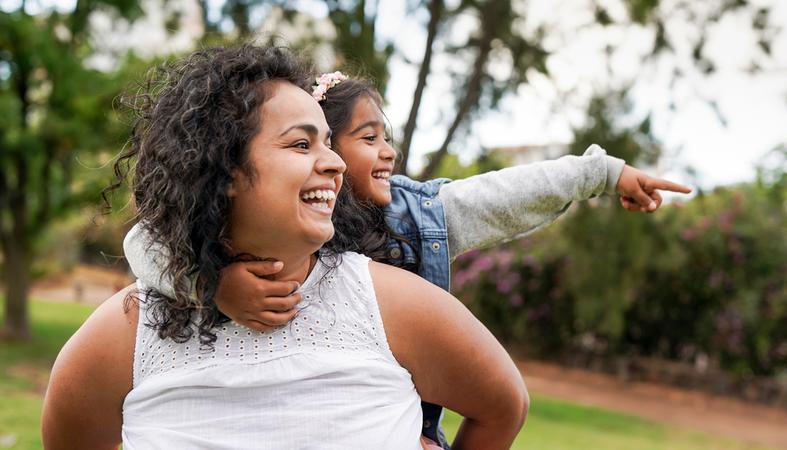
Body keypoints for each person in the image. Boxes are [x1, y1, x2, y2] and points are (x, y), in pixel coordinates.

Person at [123, 73, 692, 446]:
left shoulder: (417, 215)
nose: (387, 151)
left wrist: (603, 172)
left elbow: (508, 193)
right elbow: (146, 241)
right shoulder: (249, 231)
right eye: (366, 137)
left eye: (386, 137)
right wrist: (211, 283)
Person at [41, 45, 529, 449]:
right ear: (225, 169)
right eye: (302, 145)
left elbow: (503, 406)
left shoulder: (393, 304)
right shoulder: (127, 331)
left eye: (329, 145)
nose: (336, 165)